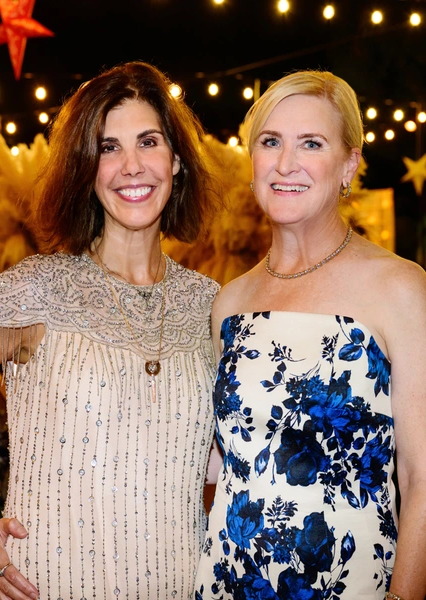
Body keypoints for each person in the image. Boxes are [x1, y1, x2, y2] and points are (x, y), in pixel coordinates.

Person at [0, 61, 220, 599]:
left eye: (148, 142)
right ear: (87, 169)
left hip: (178, 583)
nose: (132, 166)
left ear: (175, 160)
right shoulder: (38, 289)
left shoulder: (210, 305)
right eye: (108, 148)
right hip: (50, 585)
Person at [194, 70, 426, 600]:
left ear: (349, 164)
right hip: (227, 582)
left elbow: (422, 484)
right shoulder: (230, 301)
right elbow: (224, 457)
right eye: (270, 142)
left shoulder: (401, 288)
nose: (284, 164)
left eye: (311, 144)